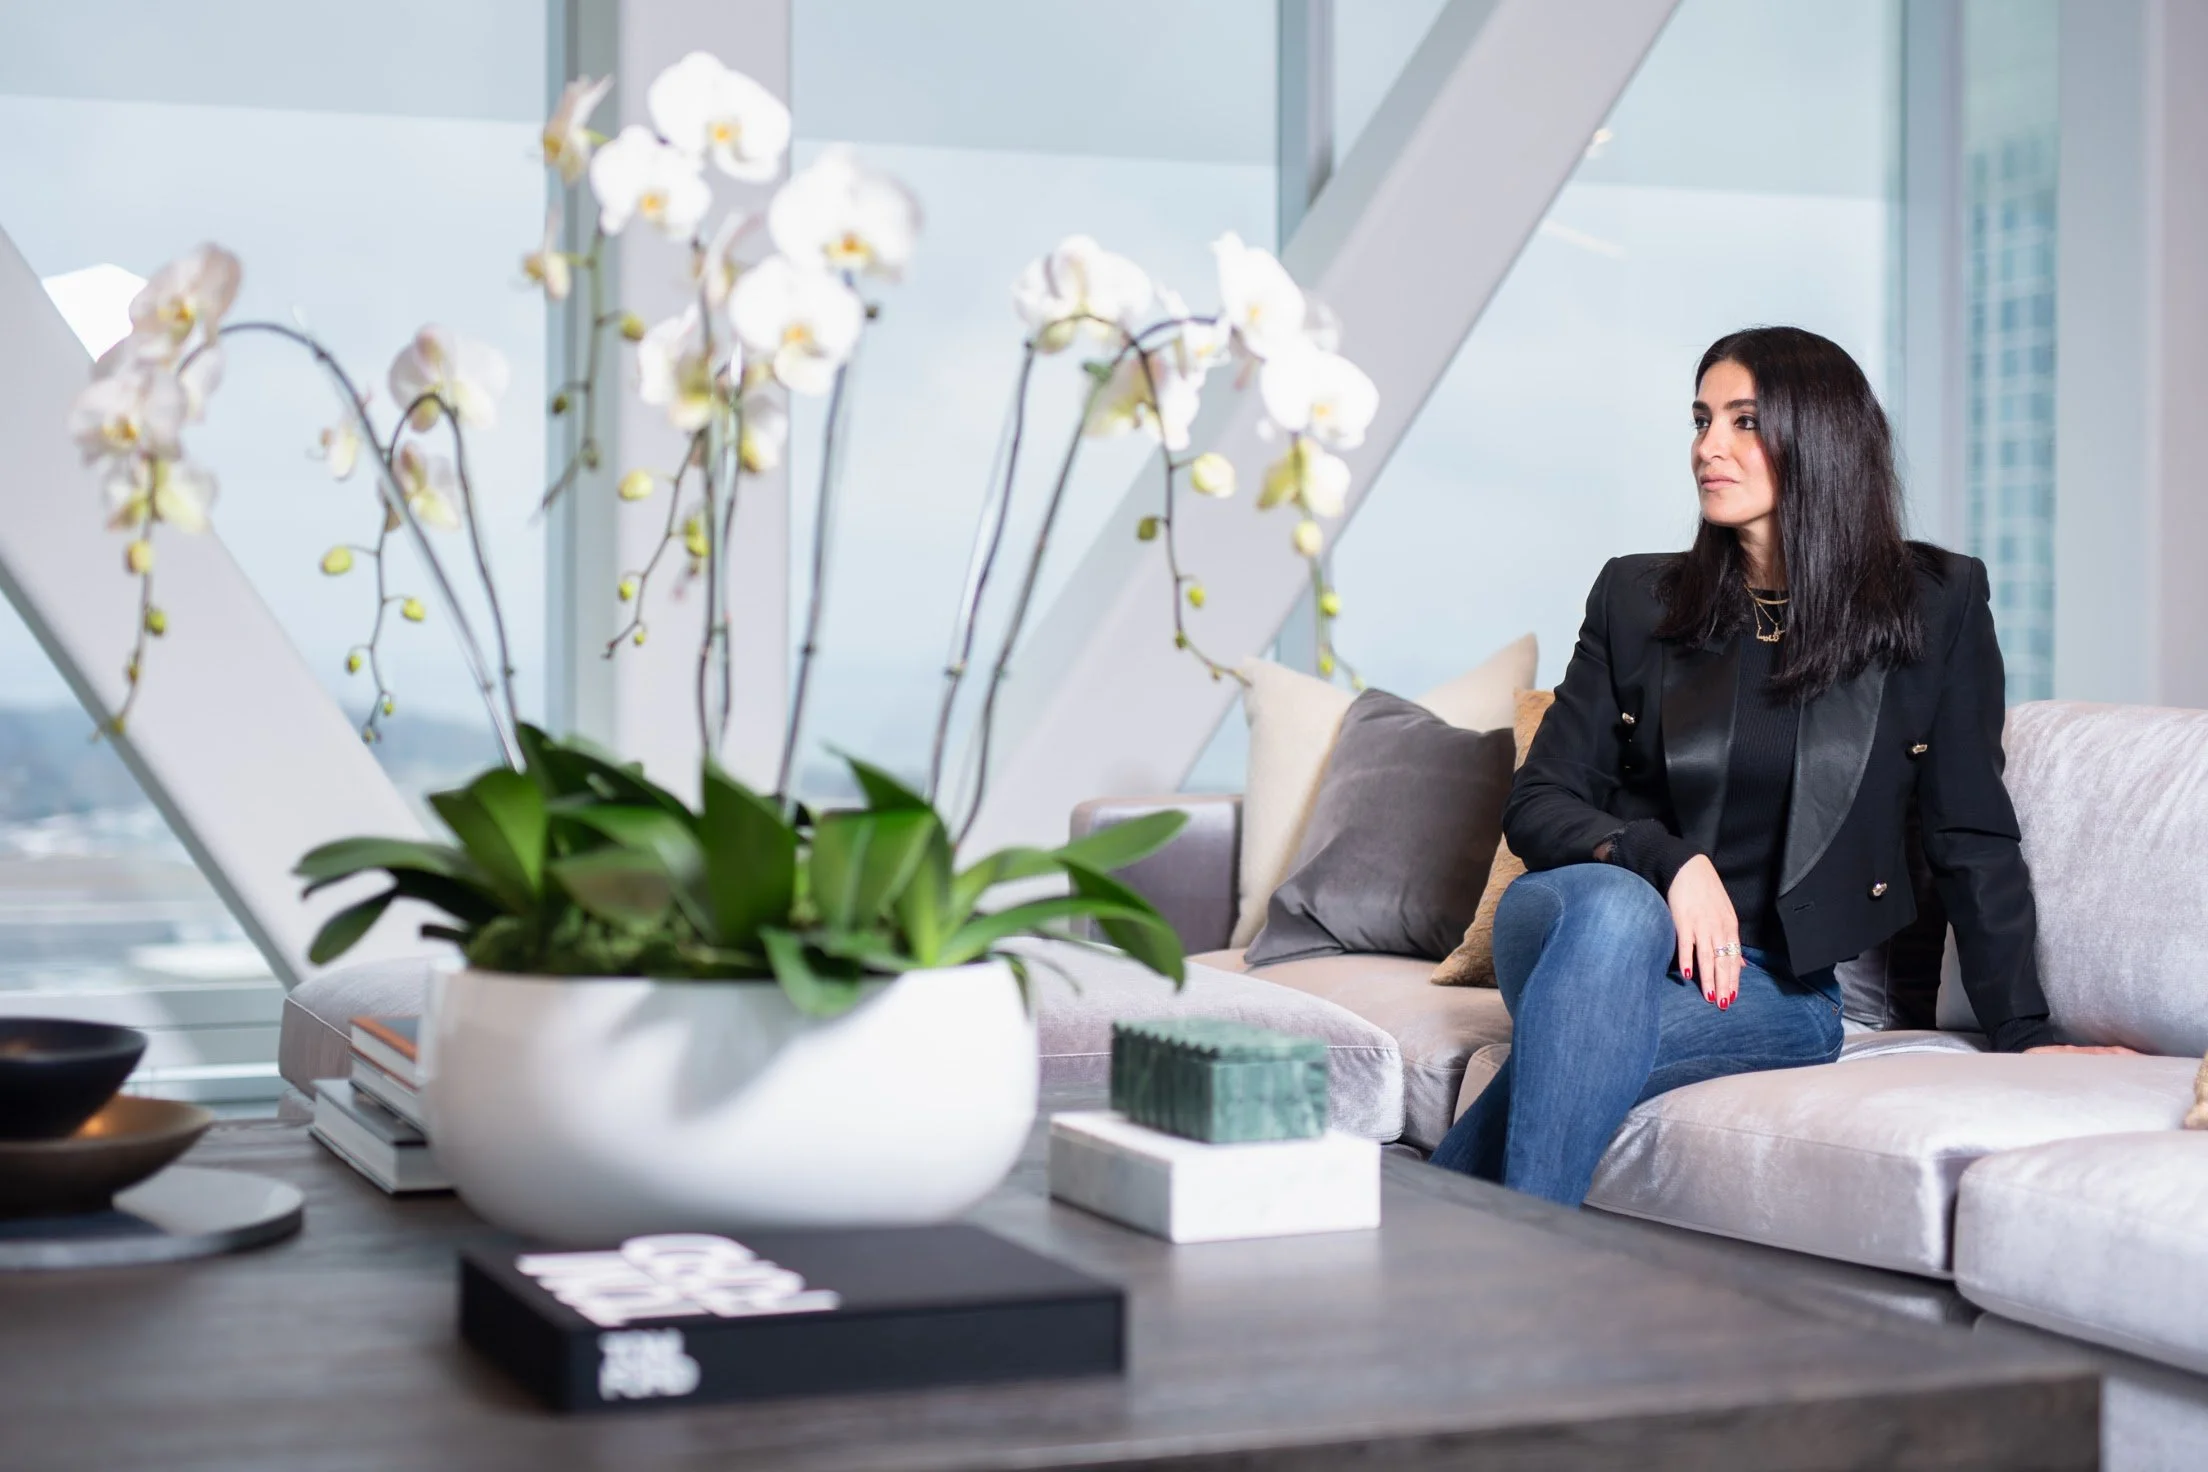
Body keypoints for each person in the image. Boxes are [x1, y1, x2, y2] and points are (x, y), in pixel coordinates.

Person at [1429, 325, 2128, 1207]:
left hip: (1774, 985)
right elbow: (1539, 801)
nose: (1707, 447)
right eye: (1701, 420)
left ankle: (1465, 1243)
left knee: (1577, 1046)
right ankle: (1528, 1253)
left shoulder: (1934, 606)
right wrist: (1669, 861)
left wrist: (2024, 1028)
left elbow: (1970, 831)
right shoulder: (1636, 597)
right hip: (1580, 929)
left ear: (1821, 438)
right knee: (1615, 910)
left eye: (1745, 421)